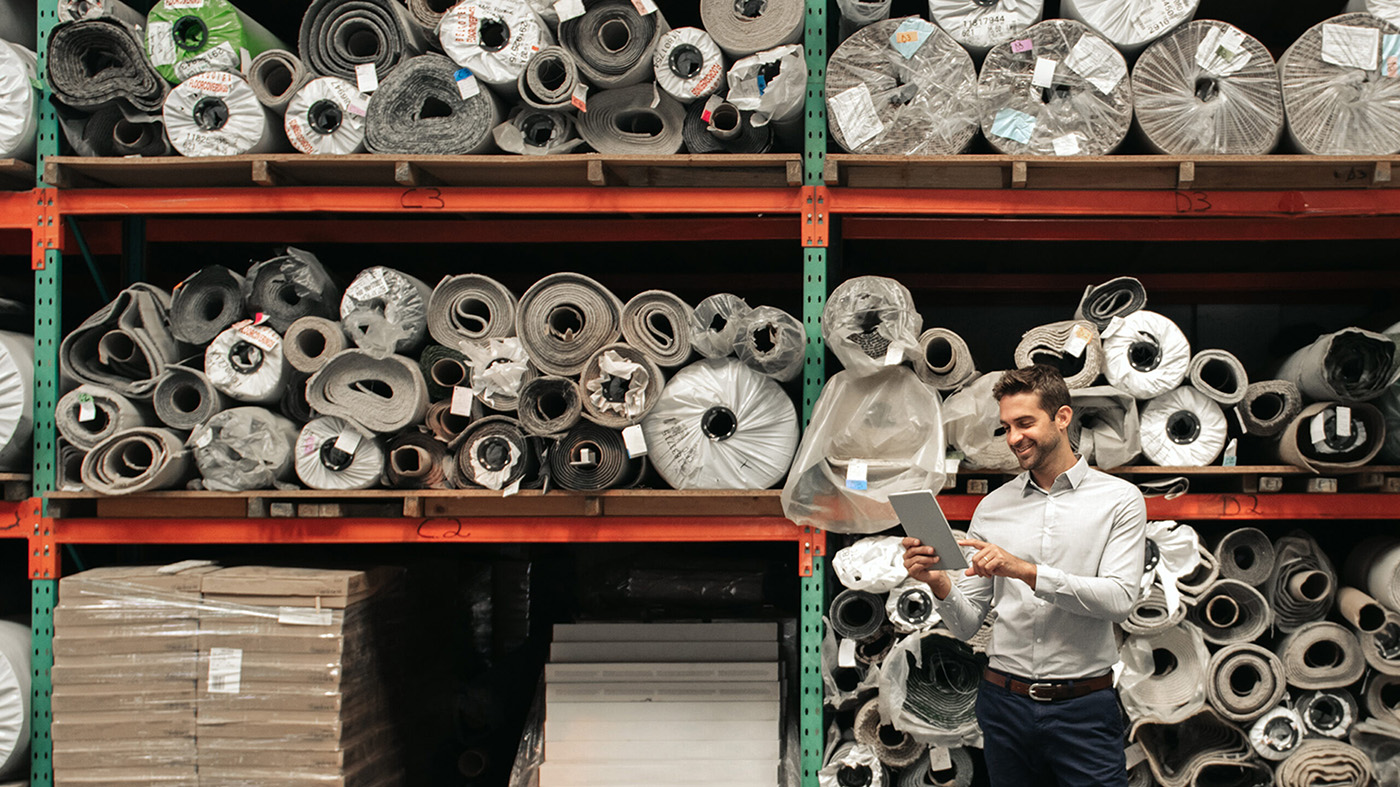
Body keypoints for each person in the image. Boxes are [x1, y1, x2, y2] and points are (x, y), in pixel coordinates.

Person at [902, 365, 1146, 787]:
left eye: (1025, 423)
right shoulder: (993, 508)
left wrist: (1026, 572)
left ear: (1063, 417)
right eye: (1007, 427)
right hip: (1004, 704)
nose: (1014, 438)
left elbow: (1120, 600)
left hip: (1083, 708)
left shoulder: (1119, 500)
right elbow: (967, 624)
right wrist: (938, 582)